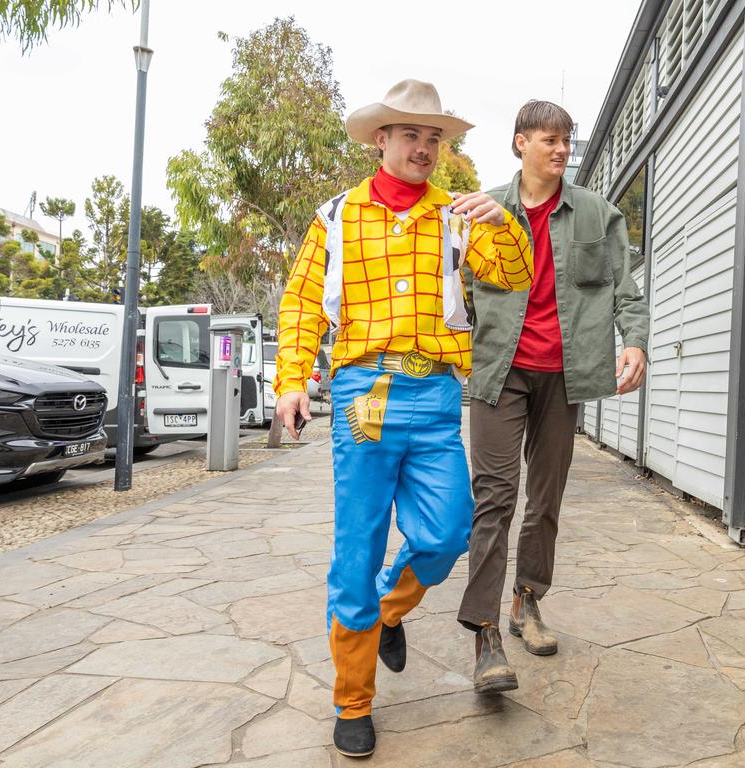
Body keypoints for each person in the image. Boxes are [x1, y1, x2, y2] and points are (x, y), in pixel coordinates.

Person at [274, 79, 533, 757]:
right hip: (362, 392)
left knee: (447, 532)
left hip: (434, 396)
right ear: (380, 139)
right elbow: (302, 303)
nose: (424, 147)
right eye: (411, 134)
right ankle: (352, 701)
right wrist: (291, 381)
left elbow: (514, 276)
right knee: (356, 550)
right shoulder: (336, 216)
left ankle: (390, 610)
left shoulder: (458, 215)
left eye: (434, 137)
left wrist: (503, 222)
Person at [456, 100, 650, 693]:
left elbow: (627, 288)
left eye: (566, 139)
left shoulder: (597, 214)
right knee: (494, 497)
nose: (561, 149)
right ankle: (485, 631)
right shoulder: (483, 210)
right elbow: (452, 289)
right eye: (548, 139)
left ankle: (527, 602)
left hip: (565, 374)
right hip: (499, 370)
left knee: (546, 499)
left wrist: (635, 342)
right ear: (520, 143)